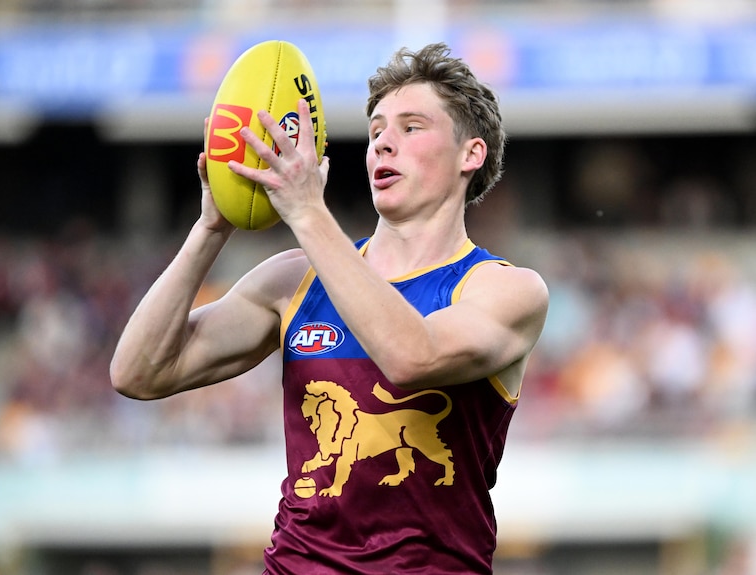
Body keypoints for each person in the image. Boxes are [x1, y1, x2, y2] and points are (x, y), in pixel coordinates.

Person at [110, 42, 549, 574]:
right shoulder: (293, 280)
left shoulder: (505, 289)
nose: (384, 142)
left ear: (470, 155)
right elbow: (138, 373)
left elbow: (412, 357)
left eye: (411, 127)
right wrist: (211, 227)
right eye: (376, 131)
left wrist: (307, 212)